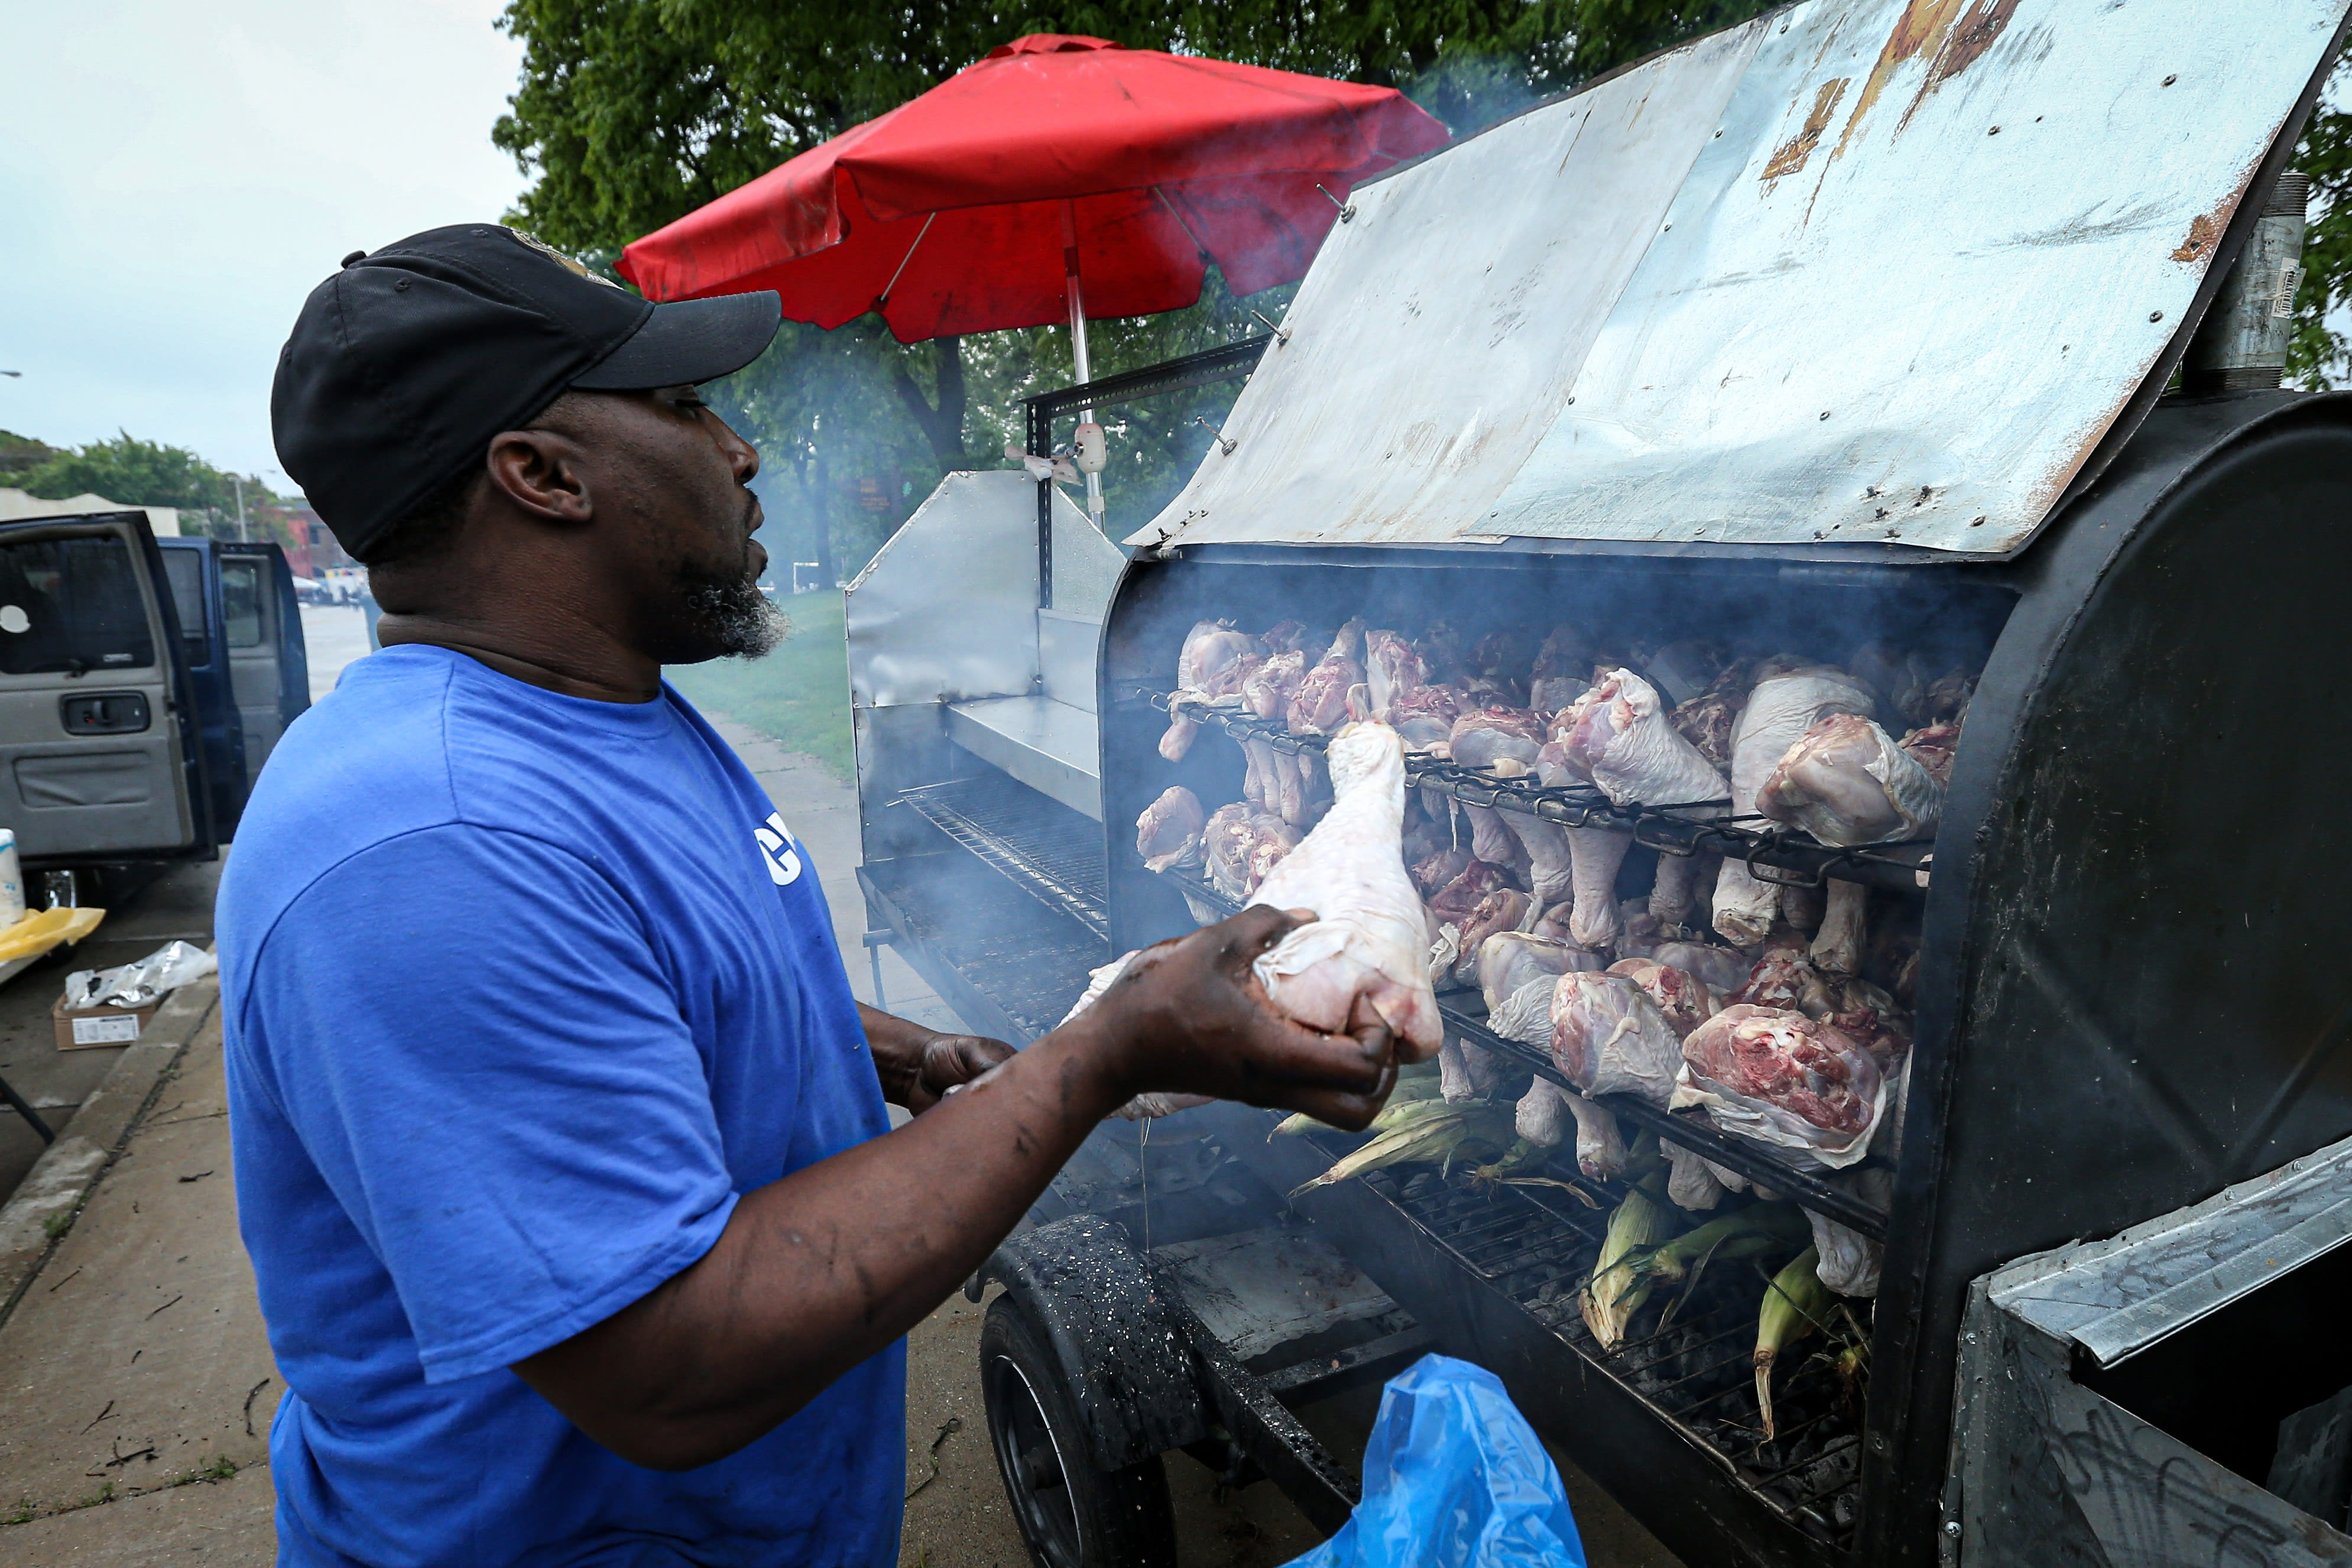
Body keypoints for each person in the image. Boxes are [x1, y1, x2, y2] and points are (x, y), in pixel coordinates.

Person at [220, 225, 1398, 1566]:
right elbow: (668, 1361)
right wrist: (1101, 1050)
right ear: (541, 475)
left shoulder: (594, 711)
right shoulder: (430, 847)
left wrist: (893, 1052)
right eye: (679, 406)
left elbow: (659, 983)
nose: (739, 447)